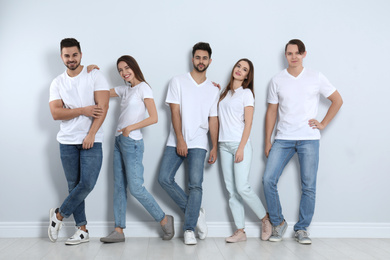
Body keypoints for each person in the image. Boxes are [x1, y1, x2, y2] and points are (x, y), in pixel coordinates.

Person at [262, 39, 343, 244]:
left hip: (309, 139)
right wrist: (267, 140)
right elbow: (271, 111)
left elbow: (337, 100)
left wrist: (323, 123)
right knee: (268, 180)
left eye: (297, 53)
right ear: (286, 55)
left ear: (304, 54)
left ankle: (302, 229)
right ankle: (278, 223)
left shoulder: (316, 77)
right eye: (289, 53)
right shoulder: (277, 80)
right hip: (283, 138)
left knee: (309, 186)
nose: (293, 57)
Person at [96, 55, 175, 243]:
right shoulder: (125, 90)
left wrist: (130, 128)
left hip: (132, 142)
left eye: (126, 68)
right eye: (120, 70)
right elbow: (101, 92)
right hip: (117, 141)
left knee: (136, 188)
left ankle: (164, 219)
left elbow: (154, 117)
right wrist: (93, 72)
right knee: (119, 187)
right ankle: (118, 230)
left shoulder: (144, 88)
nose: (124, 72)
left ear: (134, 67)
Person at [48, 38, 110, 245]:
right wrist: (83, 110)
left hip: (92, 139)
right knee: (74, 186)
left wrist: (91, 134)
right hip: (66, 141)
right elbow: (56, 113)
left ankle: (58, 216)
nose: (71, 59)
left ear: (81, 54)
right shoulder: (57, 82)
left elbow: (103, 108)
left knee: (87, 184)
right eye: (67, 55)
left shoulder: (94, 75)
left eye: (75, 54)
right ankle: (82, 230)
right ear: (61, 57)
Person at [158, 42, 219, 245]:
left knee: (195, 186)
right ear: (192, 59)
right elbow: (174, 111)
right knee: (164, 178)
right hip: (176, 140)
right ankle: (195, 212)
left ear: (210, 61)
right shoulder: (177, 81)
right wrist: (180, 139)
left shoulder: (213, 89)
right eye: (197, 57)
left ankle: (189, 228)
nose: (201, 61)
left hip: (200, 142)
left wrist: (215, 146)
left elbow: (213, 119)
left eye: (204, 58)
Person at [218, 59, 272, 243]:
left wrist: (241, 147)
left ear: (248, 75)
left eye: (244, 69)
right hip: (223, 145)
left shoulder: (247, 94)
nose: (240, 70)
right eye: (238, 66)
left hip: (239, 145)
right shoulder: (223, 93)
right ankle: (240, 231)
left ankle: (265, 219)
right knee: (231, 191)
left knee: (242, 187)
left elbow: (249, 123)